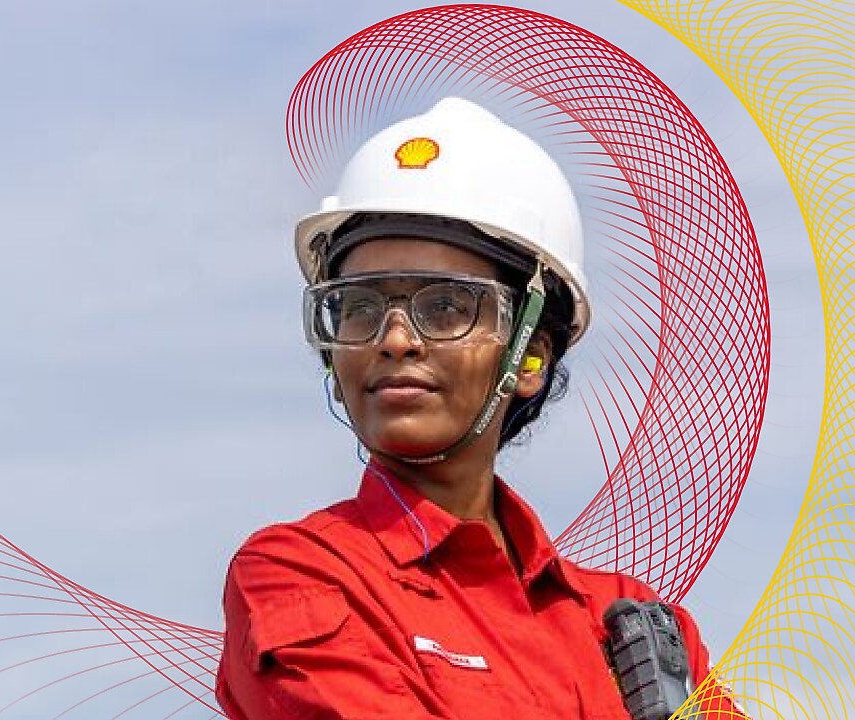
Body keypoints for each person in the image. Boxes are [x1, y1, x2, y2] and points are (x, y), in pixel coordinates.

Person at [214, 97, 746, 719]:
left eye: (446, 307)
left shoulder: (632, 625)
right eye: (358, 307)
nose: (394, 338)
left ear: (530, 355)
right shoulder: (303, 574)